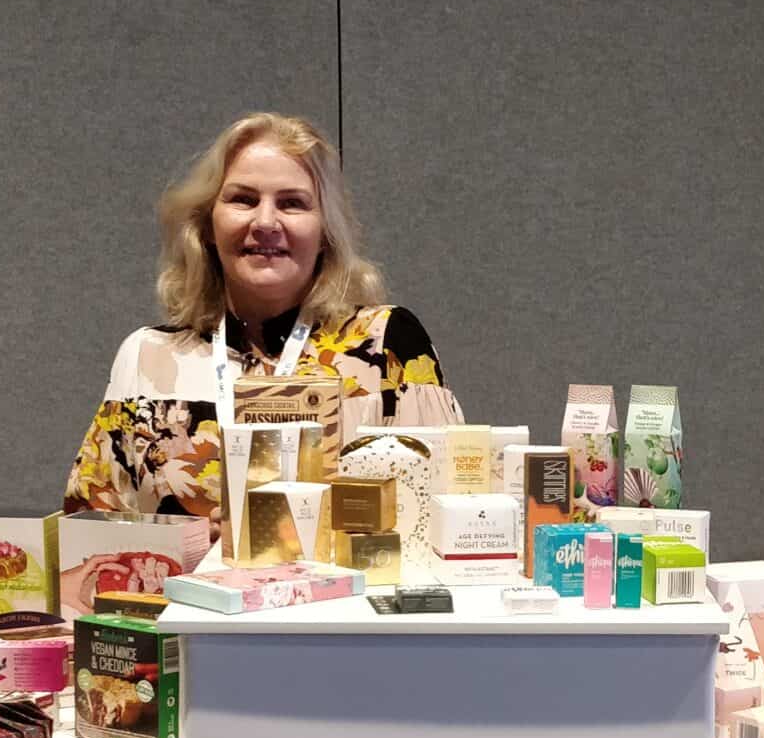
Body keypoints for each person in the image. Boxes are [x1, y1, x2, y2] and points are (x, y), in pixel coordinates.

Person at [62, 113, 464, 536]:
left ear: (325, 230)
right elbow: (89, 536)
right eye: (243, 199)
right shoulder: (147, 357)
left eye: (292, 203)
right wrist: (191, 542)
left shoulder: (387, 345)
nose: (266, 222)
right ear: (207, 225)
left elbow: (443, 526)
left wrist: (304, 532)